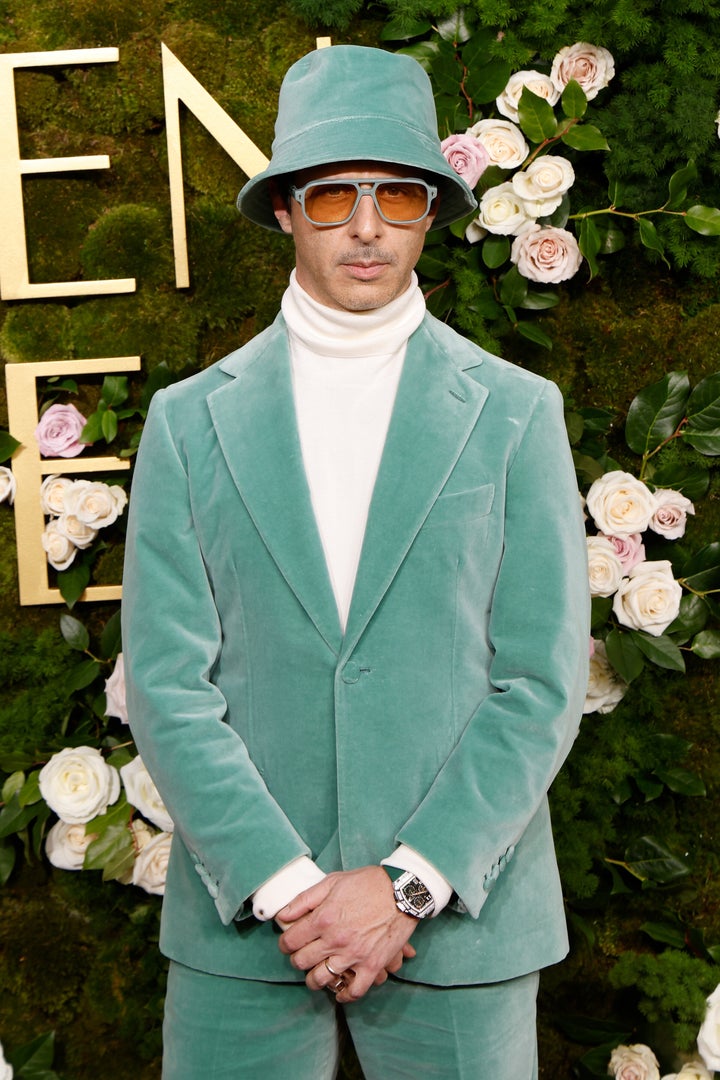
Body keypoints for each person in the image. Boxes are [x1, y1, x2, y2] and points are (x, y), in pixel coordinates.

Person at [121, 43, 590, 1080]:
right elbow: (165, 680)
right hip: (246, 937)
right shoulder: (188, 422)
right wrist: (285, 885)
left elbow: (541, 682)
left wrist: (409, 882)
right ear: (287, 208)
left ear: (433, 212)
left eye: (398, 197)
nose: (369, 227)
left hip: (463, 932)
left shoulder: (516, 413)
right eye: (335, 196)